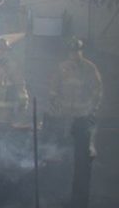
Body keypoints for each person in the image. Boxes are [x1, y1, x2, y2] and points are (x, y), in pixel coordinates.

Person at [48, 38, 102, 206]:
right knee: (62, 157)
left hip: (82, 120)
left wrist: (91, 110)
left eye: (77, 50)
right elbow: (53, 90)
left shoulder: (89, 68)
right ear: (68, 52)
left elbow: (97, 91)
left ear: (81, 51)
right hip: (65, 119)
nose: (74, 54)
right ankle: (62, 195)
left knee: (82, 161)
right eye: (72, 51)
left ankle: (79, 200)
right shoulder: (61, 68)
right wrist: (55, 104)